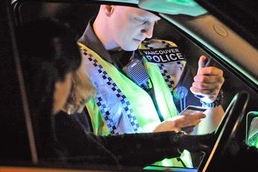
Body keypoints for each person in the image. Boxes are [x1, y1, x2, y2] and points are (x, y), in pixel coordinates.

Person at [17, 18, 211, 167]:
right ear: (54, 79)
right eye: (71, 77)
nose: (149, 32)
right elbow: (99, 155)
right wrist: (166, 141)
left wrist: (169, 140)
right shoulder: (52, 128)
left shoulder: (23, 122)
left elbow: (101, 148)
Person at [76, 5, 225, 136]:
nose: (149, 32)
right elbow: (78, 158)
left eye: (155, 22)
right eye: (142, 20)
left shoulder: (165, 54)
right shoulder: (73, 71)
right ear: (109, 6)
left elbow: (205, 135)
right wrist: (157, 141)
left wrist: (210, 100)